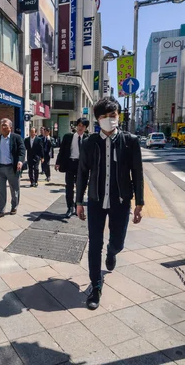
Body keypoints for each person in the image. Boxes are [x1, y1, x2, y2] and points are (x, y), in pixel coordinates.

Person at [75, 98, 144, 310]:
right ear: (97, 119)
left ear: (118, 116)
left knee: (118, 241)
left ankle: (112, 252)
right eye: (104, 116)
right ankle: (95, 286)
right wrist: (79, 201)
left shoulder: (130, 141)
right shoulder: (89, 142)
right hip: (96, 201)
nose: (108, 120)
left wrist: (139, 202)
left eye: (112, 116)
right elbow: (82, 173)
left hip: (120, 201)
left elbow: (137, 173)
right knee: (94, 243)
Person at [0, 118, 25, 219]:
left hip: (12, 168)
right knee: (1, 190)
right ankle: (0, 210)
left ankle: (14, 206)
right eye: (1, 125)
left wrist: (20, 161)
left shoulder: (16, 138)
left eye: (5, 125)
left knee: (14, 189)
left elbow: (22, 150)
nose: (3, 126)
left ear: (10, 127)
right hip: (0, 168)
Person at [55, 117, 90, 218]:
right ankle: (70, 207)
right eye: (79, 125)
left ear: (85, 128)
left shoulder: (88, 138)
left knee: (81, 187)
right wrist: (58, 163)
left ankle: (77, 205)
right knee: (69, 187)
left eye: (82, 126)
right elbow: (62, 151)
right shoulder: (68, 136)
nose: (80, 128)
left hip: (82, 166)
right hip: (70, 163)